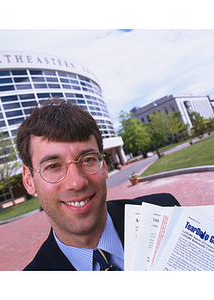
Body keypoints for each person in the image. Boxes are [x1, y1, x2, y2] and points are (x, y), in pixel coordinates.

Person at [16, 98, 180, 271]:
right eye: (53, 166)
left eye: (87, 160)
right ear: (29, 180)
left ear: (104, 167)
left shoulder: (167, 213)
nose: (77, 182)